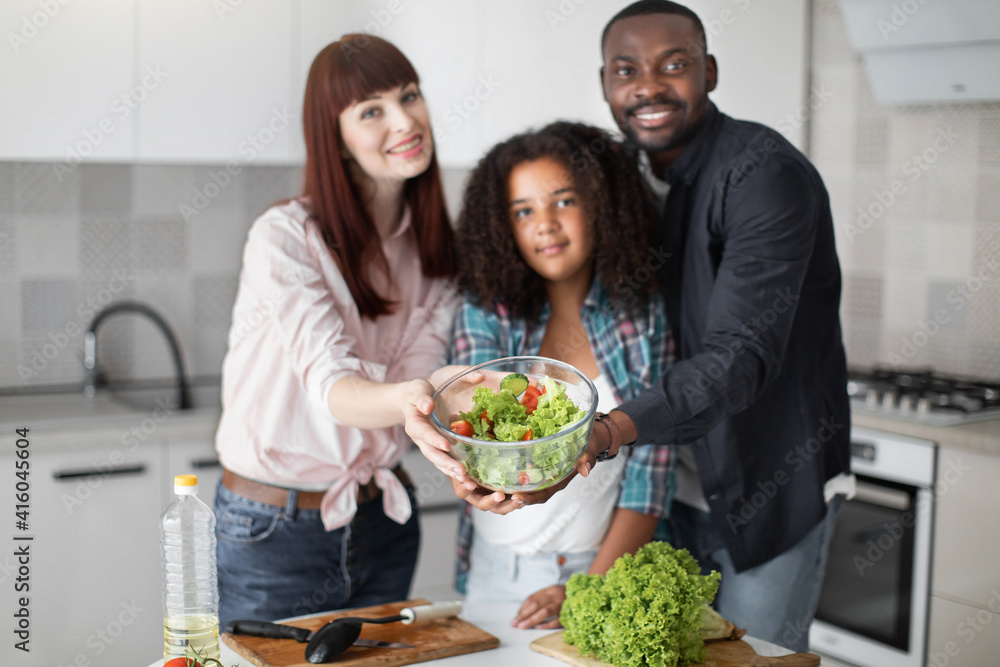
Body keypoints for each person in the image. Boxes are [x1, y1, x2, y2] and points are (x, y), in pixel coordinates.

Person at [409, 0, 853, 652]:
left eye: (673, 65)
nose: (647, 85)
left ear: (710, 70)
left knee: (755, 657)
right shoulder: (625, 180)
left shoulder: (764, 176)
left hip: (766, 482)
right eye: (626, 70)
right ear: (605, 86)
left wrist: (607, 430)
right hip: (678, 498)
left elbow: (740, 356)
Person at [213, 34, 458, 628]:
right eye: (372, 111)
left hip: (384, 520)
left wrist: (447, 387)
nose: (405, 120)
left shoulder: (436, 252)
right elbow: (337, 389)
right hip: (274, 528)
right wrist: (422, 396)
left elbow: (420, 375)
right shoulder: (285, 237)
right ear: (337, 137)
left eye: (410, 96)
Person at [448, 121, 675, 629]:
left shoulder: (640, 314)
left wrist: (590, 585)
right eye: (523, 211)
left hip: (606, 566)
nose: (544, 224)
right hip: (494, 570)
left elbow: (653, 469)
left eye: (564, 201)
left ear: (601, 205)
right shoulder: (486, 311)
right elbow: (476, 433)